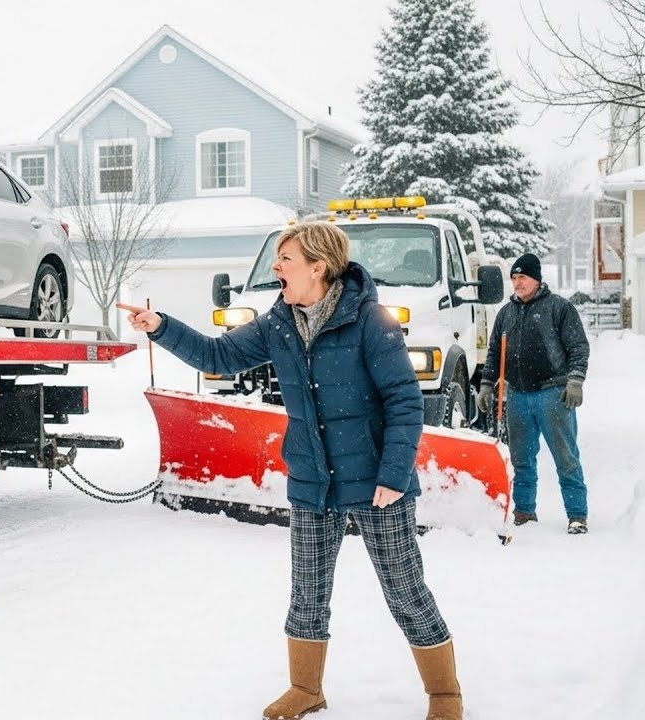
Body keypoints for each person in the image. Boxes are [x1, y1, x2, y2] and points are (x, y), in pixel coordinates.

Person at [118, 222, 462, 720]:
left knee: (405, 589)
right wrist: (161, 326)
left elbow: (405, 402)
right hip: (313, 480)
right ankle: (306, 688)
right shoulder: (278, 323)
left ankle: (445, 695)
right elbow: (219, 355)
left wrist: (392, 473)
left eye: (285, 259)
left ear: (318, 267)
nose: (276, 268)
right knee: (307, 592)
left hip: (377, 481)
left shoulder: (370, 321)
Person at [477, 253, 590, 534]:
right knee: (521, 460)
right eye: (514, 278)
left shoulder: (559, 308)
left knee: (566, 458)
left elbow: (578, 347)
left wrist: (575, 381)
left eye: (522, 277)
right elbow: (494, 353)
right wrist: (487, 384)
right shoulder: (506, 312)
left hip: (553, 394)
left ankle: (577, 515)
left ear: (536, 279)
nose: (517, 283)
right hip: (517, 396)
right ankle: (524, 512)